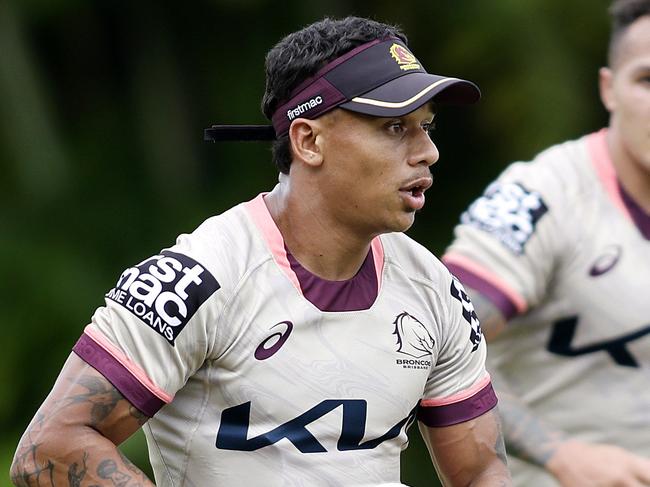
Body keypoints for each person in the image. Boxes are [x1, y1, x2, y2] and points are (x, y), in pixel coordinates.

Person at [10, 16, 511, 487]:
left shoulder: (435, 290)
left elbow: (481, 472)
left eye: (428, 126)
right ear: (309, 141)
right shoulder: (195, 280)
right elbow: (48, 449)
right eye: (395, 127)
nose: (428, 151)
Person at [443, 1, 650, 485]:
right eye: (648, 81)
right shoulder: (542, 197)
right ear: (608, 88)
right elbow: (430, 343)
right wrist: (558, 452)